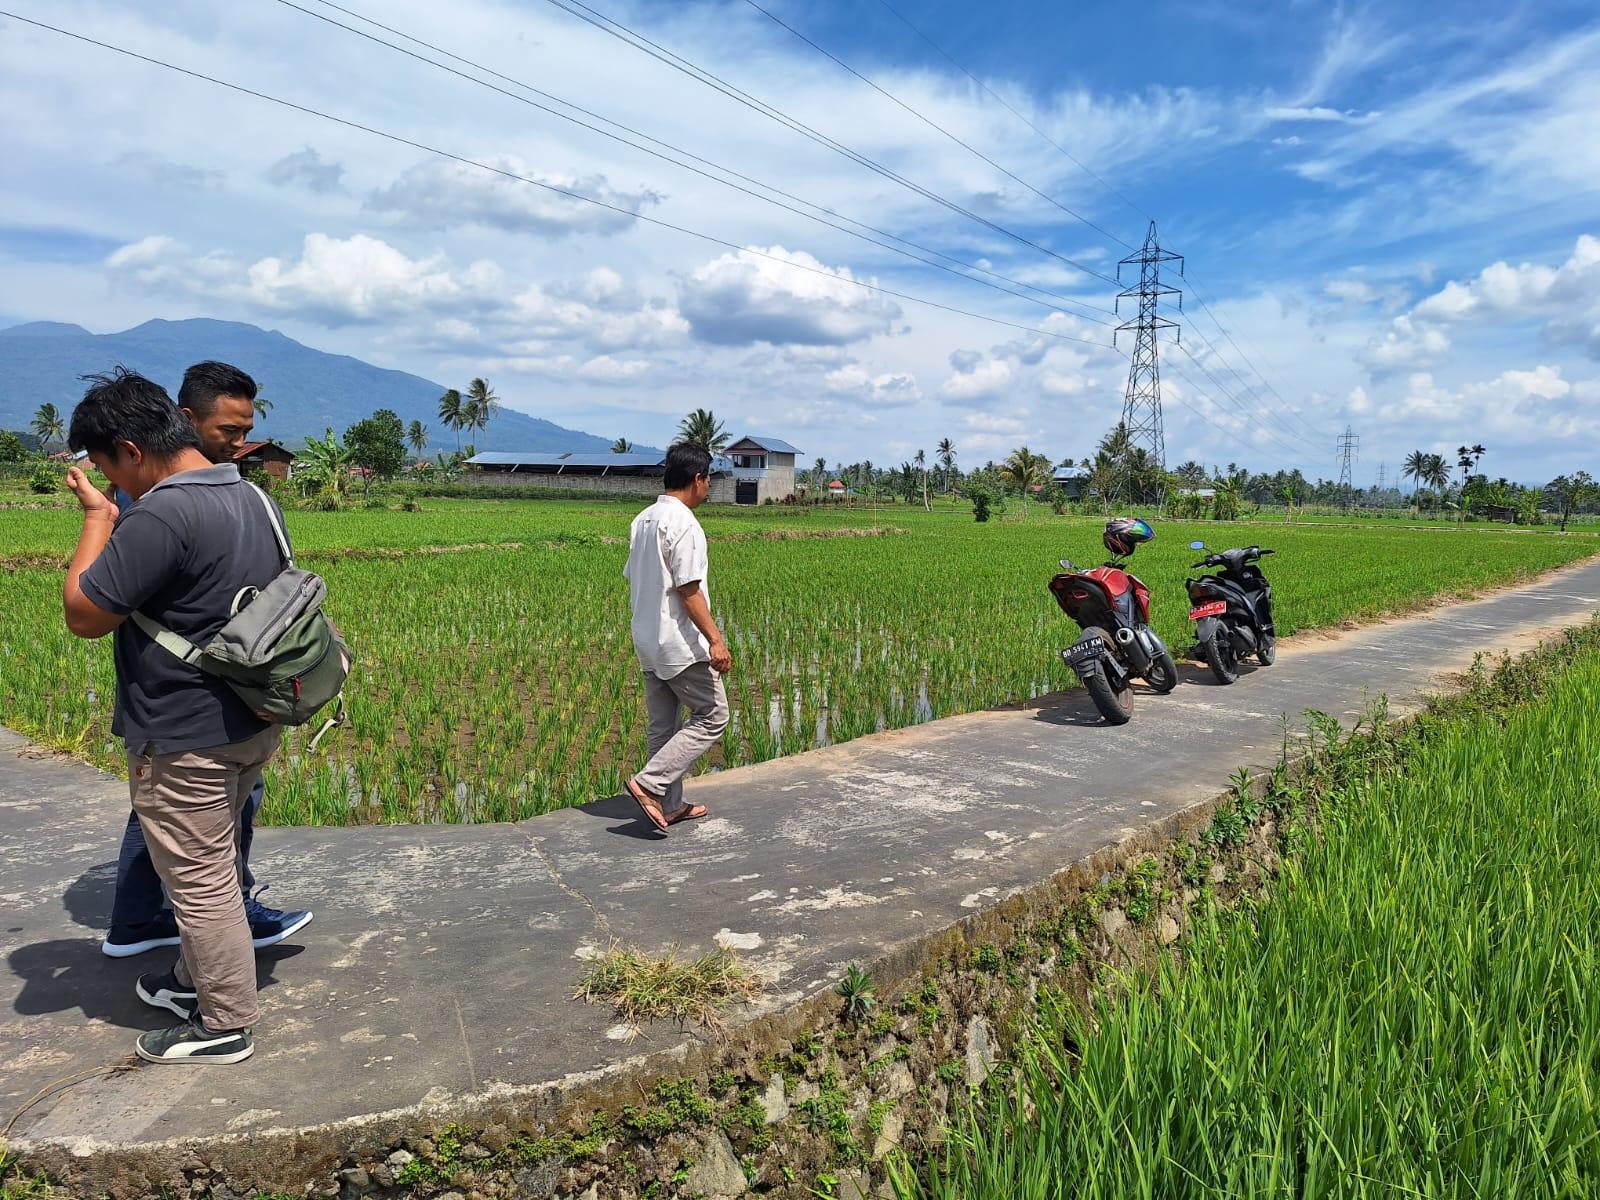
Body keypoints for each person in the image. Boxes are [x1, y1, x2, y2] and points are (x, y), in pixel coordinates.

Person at [64, 366, 290, 1064]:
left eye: (107, 466)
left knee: (199, 880)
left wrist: (100, 518)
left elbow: (85, 615)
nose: (112, 481)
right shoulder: (250, 496)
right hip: (251, 718)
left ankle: (224, 1023)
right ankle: (191, 979)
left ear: (131, 450)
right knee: (213, 858)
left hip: (187, 733)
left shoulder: (162, 511)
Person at [99, 361, 312, 958]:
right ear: (185, 421)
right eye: (229, 430)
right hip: (198, 704)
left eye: (247, 427)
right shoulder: (154, 499)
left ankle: (138, 922)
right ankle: (224, 958)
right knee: (207, 846)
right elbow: (96, 608)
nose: (242, 442)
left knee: (165, 815)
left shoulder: (224, 490)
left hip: (220, 699)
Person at [622, 443, 733, 833]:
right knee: (713, 716)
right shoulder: (684, 523)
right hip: (679, 645)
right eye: (709, 481)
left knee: (663, 728)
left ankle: (668, 806)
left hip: (648, 641)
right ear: (699, 479)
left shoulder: (644, 519)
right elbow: (689, 589)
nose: (709, 489)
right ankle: (649, 784)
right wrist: (716, 640)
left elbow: (635, 576)